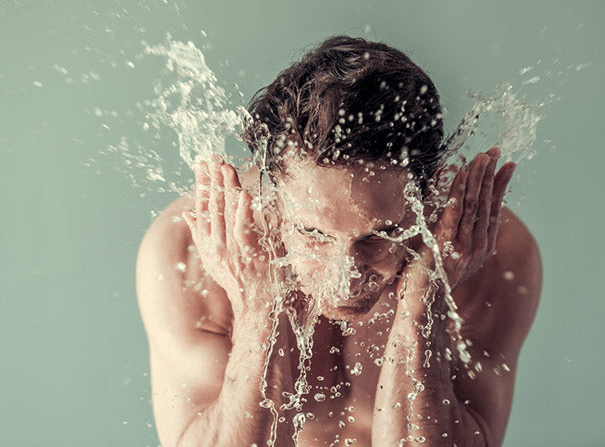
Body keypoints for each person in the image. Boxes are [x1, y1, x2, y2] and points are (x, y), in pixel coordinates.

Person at [136, 36, 542, 447]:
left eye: (379, 235)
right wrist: (259, 307)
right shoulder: (192, 251)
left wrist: (424, 301)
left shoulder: (483, 252)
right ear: (272, 198)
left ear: (429, 194)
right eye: (313, 234)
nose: (344, 276)